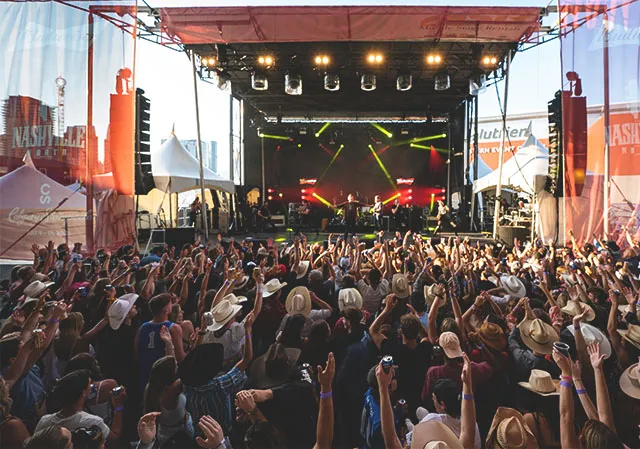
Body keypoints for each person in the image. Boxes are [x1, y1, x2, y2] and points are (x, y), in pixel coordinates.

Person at [136, 293, 186, 391]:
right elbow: (180, 358)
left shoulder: (142, 328)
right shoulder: (174, 328)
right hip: (166, 379)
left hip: (146, 377)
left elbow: (137, 352)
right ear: (166, 310)